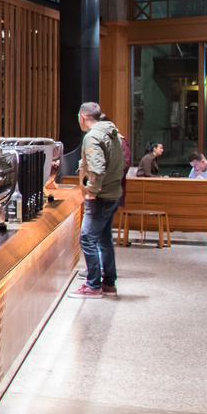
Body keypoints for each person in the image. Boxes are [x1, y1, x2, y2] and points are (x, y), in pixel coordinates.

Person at [73, 102, 126, 297]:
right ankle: (109, 283)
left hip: (100, 196)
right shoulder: (113, 132)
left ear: (82, 117)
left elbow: (97, 167)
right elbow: (122, 163)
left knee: (87, 238)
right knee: (104, 239)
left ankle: (93, 285)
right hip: (113, 193)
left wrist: (91, 192)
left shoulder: (93, 136)